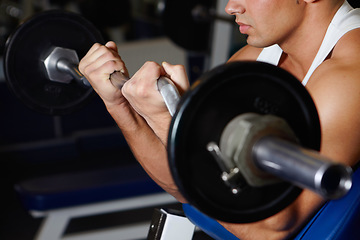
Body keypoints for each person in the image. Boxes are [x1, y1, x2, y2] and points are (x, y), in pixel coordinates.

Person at [79, 0, 360, 239]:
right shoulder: (255, 60)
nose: (230, 7)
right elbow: (186, 188)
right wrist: (119, 106)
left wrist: (167, 120)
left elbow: (269, 230)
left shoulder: (350, 75)